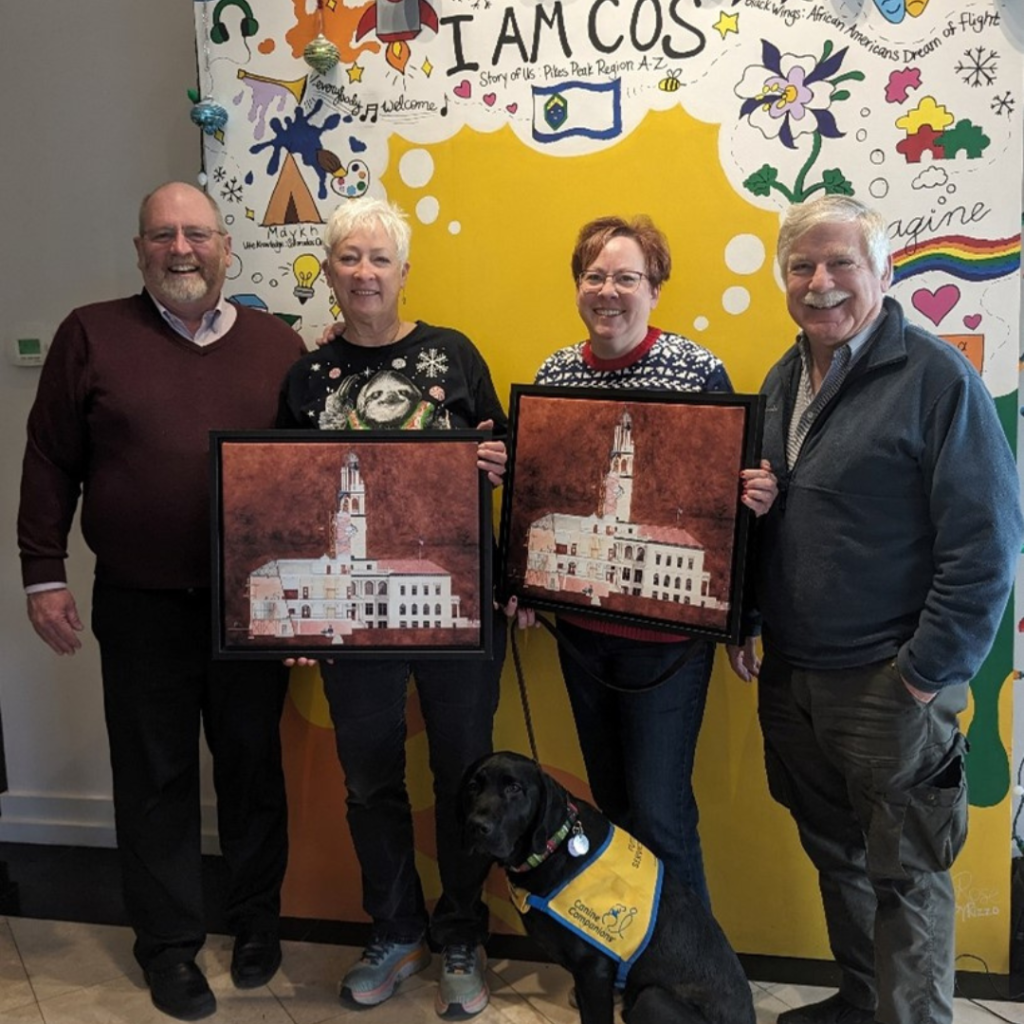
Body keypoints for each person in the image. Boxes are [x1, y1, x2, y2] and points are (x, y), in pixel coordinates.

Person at [727, 195, 1022, 1024]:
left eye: (840, 263)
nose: (820, 283)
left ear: (883, 272)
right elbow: (779, 516)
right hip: (794, 679)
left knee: (907, 875)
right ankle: (864, 1003)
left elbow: (988, 544)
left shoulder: (937, 381)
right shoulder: (785, 377)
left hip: (888, 688)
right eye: (801, 266)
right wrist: (749, 615)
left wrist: (926, 673)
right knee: (838, 857)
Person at [17, 182, 306, 1021]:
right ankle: (169, 948)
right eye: (163, 235)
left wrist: (311, 604)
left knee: (254, 773)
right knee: (155, 778)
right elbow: (47, 460)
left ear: (226, 247)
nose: (182, 249)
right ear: (139, 249)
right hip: (141, 602)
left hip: (256, 605)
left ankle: (258, 927)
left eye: (197, 235)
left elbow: (307, 483)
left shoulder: (277, 344)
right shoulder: (90, 334)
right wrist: (43, 573)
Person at [278, 196, 508, 1020]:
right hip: (352, 617)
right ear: (331, 273)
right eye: (349, 258)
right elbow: (292, 499)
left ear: (404, 272)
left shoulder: (453, 355)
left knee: (464, 776)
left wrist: (493, 460)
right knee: (370, 780)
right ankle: (395, 929)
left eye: (380, 258)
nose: (365, 273)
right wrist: (294, 618)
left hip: (457, 608)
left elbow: (505, 453)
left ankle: (460, 937)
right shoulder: (307, 377)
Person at [508, 215, 777, 912]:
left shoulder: (694, 370)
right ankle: (634, 947)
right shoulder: (558, 375)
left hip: (668, 647)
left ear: (654, 289)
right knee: (615, 805)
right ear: (577, 287)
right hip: (584, 638)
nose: (608, 290)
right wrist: (530, 581)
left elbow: (726, 517)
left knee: (659, 810)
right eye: (594, 276)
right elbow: (544, 493)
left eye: (626, 277)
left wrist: (743, 615)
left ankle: (690, 971)